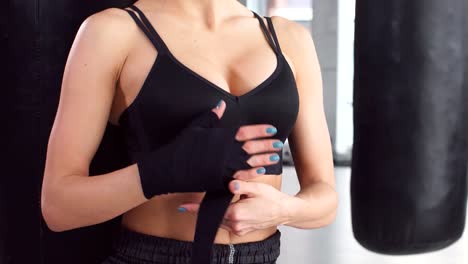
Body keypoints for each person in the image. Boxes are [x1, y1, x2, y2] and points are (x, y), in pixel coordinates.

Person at [41, 0, 338, 263]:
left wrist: (284, 210)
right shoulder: (113, 31)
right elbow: (58, 207)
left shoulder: (289, 38)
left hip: (263, 255)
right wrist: (163, 170)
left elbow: (325, 200)